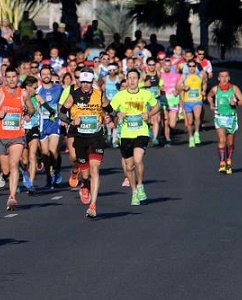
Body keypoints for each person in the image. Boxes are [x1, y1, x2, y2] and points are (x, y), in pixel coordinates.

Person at [59, 68, 114, 219]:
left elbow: (112, 110)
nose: (85, 85)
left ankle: (93, 205)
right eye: (82, 82)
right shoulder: (74, 95)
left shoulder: (99, 94)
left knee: (95, 169)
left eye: (88, 82)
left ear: (92, 82)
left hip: (96, 136)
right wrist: (71, 121)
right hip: (80, 136)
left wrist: (109, 118)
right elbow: (61, 113)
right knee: (85, 171)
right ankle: (85, 184)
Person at [0, 67, 35, 209]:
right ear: (5, 78)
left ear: (18, 77)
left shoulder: (23, 93)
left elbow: (31, 108)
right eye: (9, 77)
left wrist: (27, 115)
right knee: (6, 169)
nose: (12, 79)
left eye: (14, 76)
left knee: (13, 165)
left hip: (17, 135)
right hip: (0, 135)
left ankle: (12, 196)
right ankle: (4, 177)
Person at [110, 69, 159, 205]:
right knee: (129, 166)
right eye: (129, 78)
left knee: (138, 160)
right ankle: (134, 192)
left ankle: (140, 185)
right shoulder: (120, 96)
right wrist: (118, 114)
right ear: (126, 80)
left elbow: (157, 106)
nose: (132, 81)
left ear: (139, 80)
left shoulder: (145, 94)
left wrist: (148, 113)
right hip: (125, 134)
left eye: (134, 78)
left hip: (141, 131)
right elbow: (110, 110)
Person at [208, 71, 242, 175]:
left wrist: (236, 103)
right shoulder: (215, 89)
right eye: (222, 77)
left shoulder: (234, 89)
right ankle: (222, 163)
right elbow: (209, 96)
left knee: (230, 143)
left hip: (231, 118)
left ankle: (228, 161)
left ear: (229, 78)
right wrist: (211, 104)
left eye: (226, 76)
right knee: (221, 140)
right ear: (218, 78)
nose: (224, 79)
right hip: (219, 117)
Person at [37, 66, 64, 189]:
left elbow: (64, 104)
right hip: (42, 123)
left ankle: (55, 171)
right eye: (44, 74)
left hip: (54, 123)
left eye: (48, 73)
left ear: (51, 74)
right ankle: (48, 175)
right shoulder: (38, 91)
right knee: (45, 153)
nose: (46, 76)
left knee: (53, 151)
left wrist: (65, 118)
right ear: (40, 76)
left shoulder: (59, 88)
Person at [180, 60, 206, 148]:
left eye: (193, 66)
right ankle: (191, 137)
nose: (191, 68)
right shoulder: (184, 76)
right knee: (190, 122)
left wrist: (203, 91)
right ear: (187, 67)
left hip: (197, 101)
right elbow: (177, 86)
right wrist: (183, 87)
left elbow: (205, 83)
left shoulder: (200, 75)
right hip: (187, 102)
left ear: (196, 67)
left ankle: (197, 133)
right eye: (190, 66)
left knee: (197, 117)